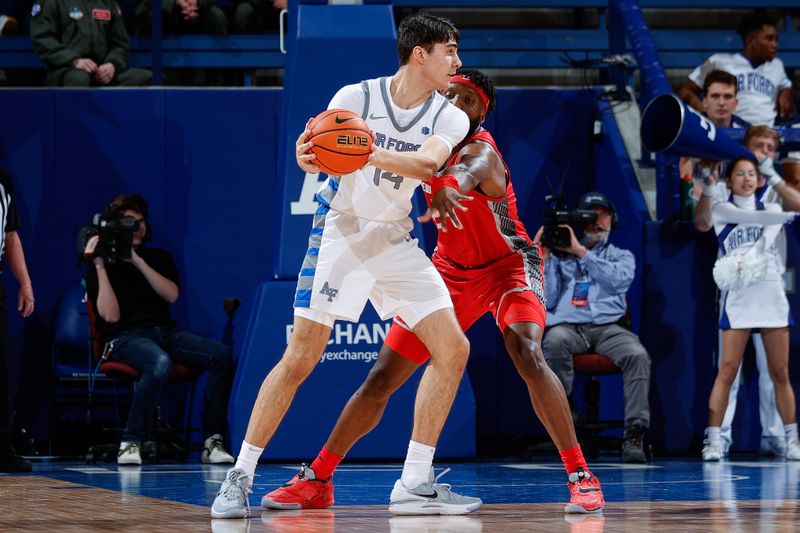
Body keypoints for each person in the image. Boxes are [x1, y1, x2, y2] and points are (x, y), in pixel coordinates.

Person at [258, 69, 604, 515]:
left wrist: (446, 188)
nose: (457, 105)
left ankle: (580, 473)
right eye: (450, 96)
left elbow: (470, 170)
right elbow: (355, 151)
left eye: (469, 101)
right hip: (449, 273)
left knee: (526, 350)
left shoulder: (483, 151)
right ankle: (318, 477)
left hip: (508, 268)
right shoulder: (425, 141)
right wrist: (310, 152)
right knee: (380, 379)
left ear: (484, 111)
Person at [211, 13, 479, 519]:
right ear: (419, 54)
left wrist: (365, 149)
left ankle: (414, 481)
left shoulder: (450, 116)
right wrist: (310, 155)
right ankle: (239, 476)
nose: (457, 62)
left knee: (453, 348)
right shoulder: (355, 97)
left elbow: (425, 165)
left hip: (396, 240)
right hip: (343, 233)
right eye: (449, 50)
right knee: (300, 359)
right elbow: (314, 154)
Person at [84, 193, 235, 466]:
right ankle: (131, 441)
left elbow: (172, 295)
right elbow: (109, 315)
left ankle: (213, 440)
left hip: (164, 333)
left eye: (140, 222)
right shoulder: (102, 264)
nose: (137, 227)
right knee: (160, 362)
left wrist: (136, 260)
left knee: (220, 354)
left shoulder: (158, 257)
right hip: (124, 338)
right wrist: (98, 265)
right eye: (129, 222)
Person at [693, 126, 800, 457]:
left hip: (770, 290)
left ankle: (785, 438)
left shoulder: (774, 195)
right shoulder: (722, 201)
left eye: (771, 148)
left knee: (778, 372)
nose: (765, 152)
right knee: (728, 371)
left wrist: (774, 176)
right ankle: (717, 437)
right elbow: (701, 222)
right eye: (759, 148)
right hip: (738, 292)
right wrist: (708, 189)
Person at [539, 192, 651, 464]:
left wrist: (581, 252)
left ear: (613, 220)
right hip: (568, 328)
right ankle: (566, 414)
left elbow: (618, 282)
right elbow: (548, 298)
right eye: (590, 216)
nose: (596, 222)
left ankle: (635, 433)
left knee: (637, 355)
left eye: (603, 215)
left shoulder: (621, 256)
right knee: (553, 341)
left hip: (608, 329)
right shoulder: (562, 258)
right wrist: (544, 258)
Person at [679, 11, 793, 129]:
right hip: (730, 131)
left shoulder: (777, 65)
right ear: (751, 40)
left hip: (766, 133)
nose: (775, 45)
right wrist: (700, 107)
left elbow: (786, 87)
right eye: (769, 39)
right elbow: (686, 91)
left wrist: (785, 92)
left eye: (776, 39)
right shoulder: (719, 61)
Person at [29, 0, 152, 87]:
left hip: (102, 71)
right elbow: (42, 38)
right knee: (80, 79)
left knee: (149, 78)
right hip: (64, 71)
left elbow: (120, 43)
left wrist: (112, 64)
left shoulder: (108, 2)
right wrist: (74, 60)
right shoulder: (52, 2)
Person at [0, 170, 35, 473]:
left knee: (2, 369)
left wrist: (24, 283)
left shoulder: (3, 180)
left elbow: (10, 235)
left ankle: (2, 446)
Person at [135, 0, 227, 37]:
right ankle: (147, 73)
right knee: (152, 17)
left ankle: (219, 74)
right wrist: (175, 3)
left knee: (217, 16)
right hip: (163, 8)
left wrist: (196, 2)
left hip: (197, 9)